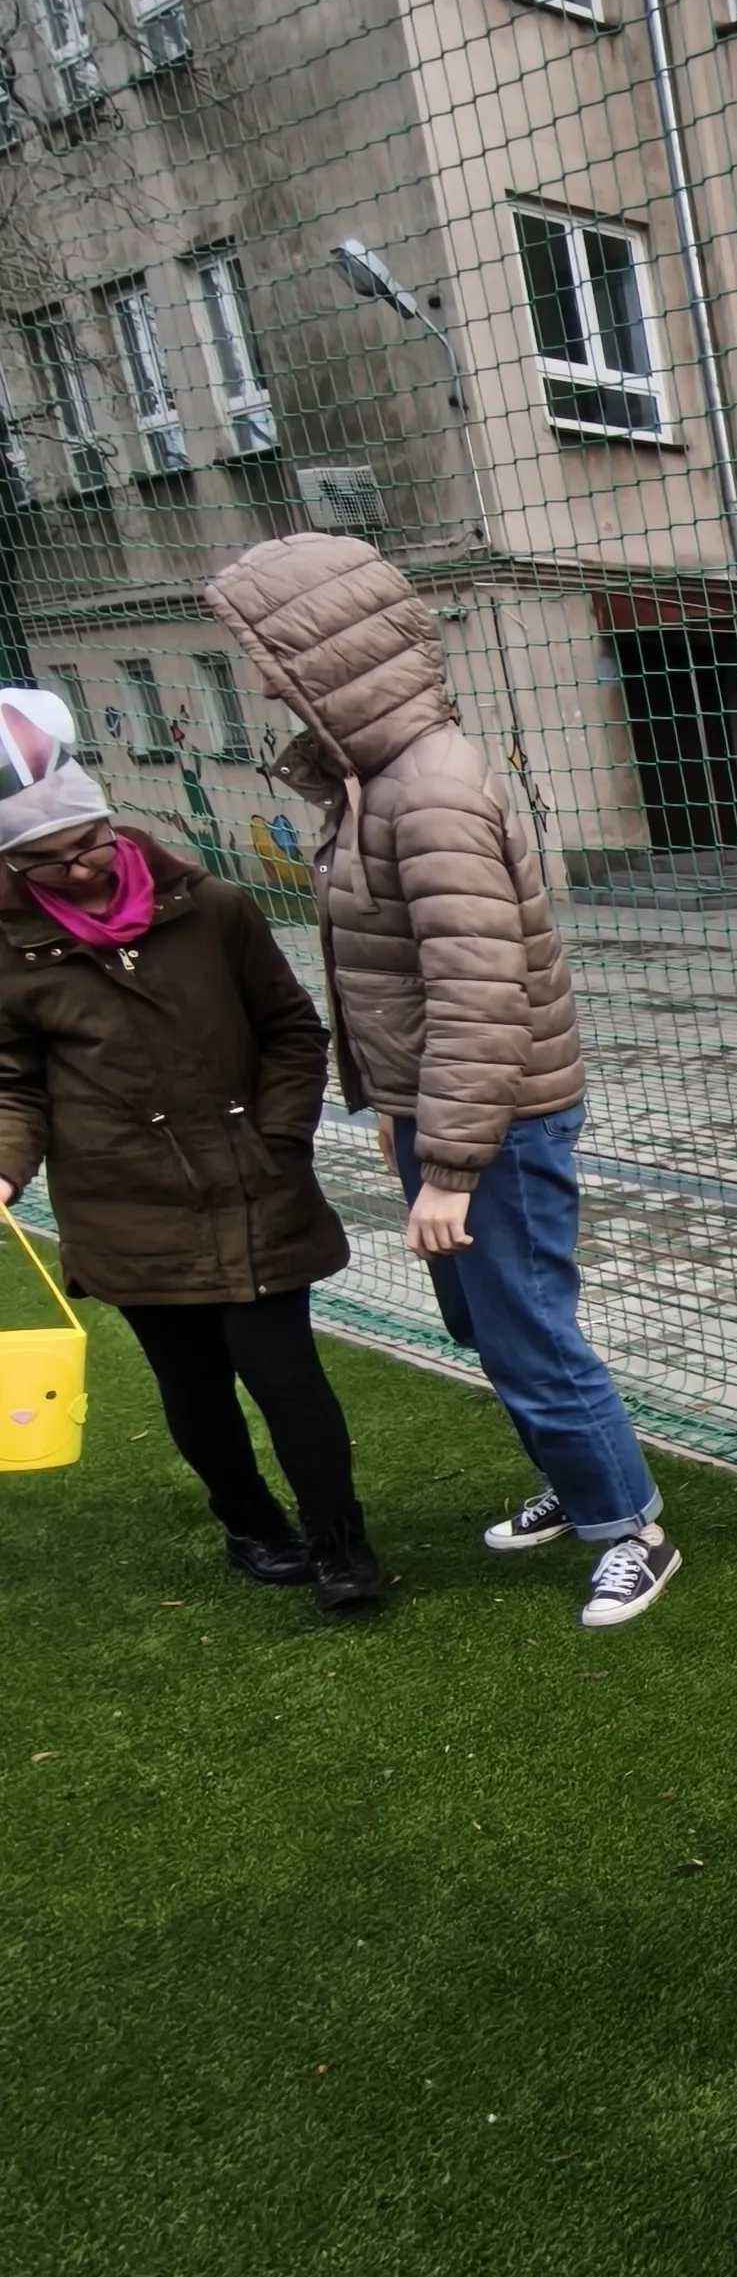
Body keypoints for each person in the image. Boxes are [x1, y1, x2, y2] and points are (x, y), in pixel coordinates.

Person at [200, 535, 677, 1632]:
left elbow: (477, 988)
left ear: (331, 656)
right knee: (484, 1325)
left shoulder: (430, 792)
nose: (262, 682)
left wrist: (451, 1163)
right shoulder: (374, 783)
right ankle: (579, 1477)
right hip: (448, 1110)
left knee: (527, 1329)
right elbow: (400, 979)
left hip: (498, 1119)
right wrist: (398, 1114)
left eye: (271, 657)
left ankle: (631, 1530)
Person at [0, 683, 382, 1609]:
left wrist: (280, 1137)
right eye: (46, 862)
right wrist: (6, 1166)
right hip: (122, 1200)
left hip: (253, 1184)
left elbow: (293, 1031)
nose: (78, 870)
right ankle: (252, 1527)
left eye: (88, 845)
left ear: (111, 824)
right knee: (193, 1384)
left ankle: (342, 1548)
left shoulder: (213, 907)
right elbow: (13, 1083)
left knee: (285, 1374)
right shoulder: (9, 950)